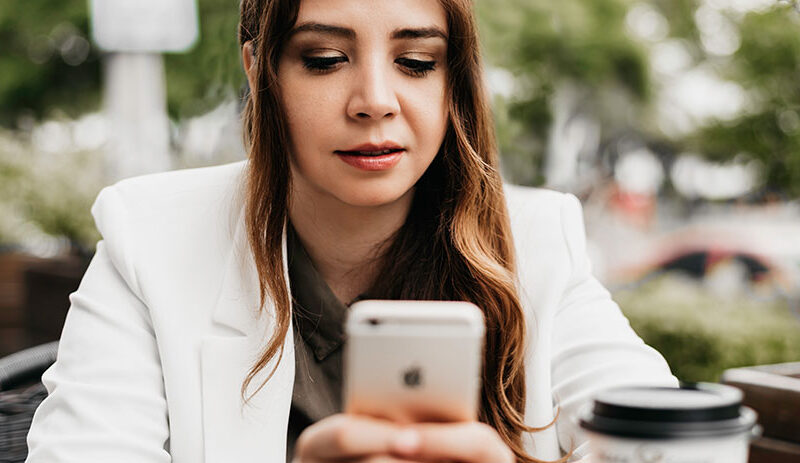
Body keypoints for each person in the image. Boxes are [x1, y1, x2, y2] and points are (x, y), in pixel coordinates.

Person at [25, 0, 678, 462]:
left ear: (454, 80)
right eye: (326, 58)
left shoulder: (536, 242)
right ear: (260, 73)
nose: (374, 99)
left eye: (416, 61)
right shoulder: (150, 239)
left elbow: (672, 442)